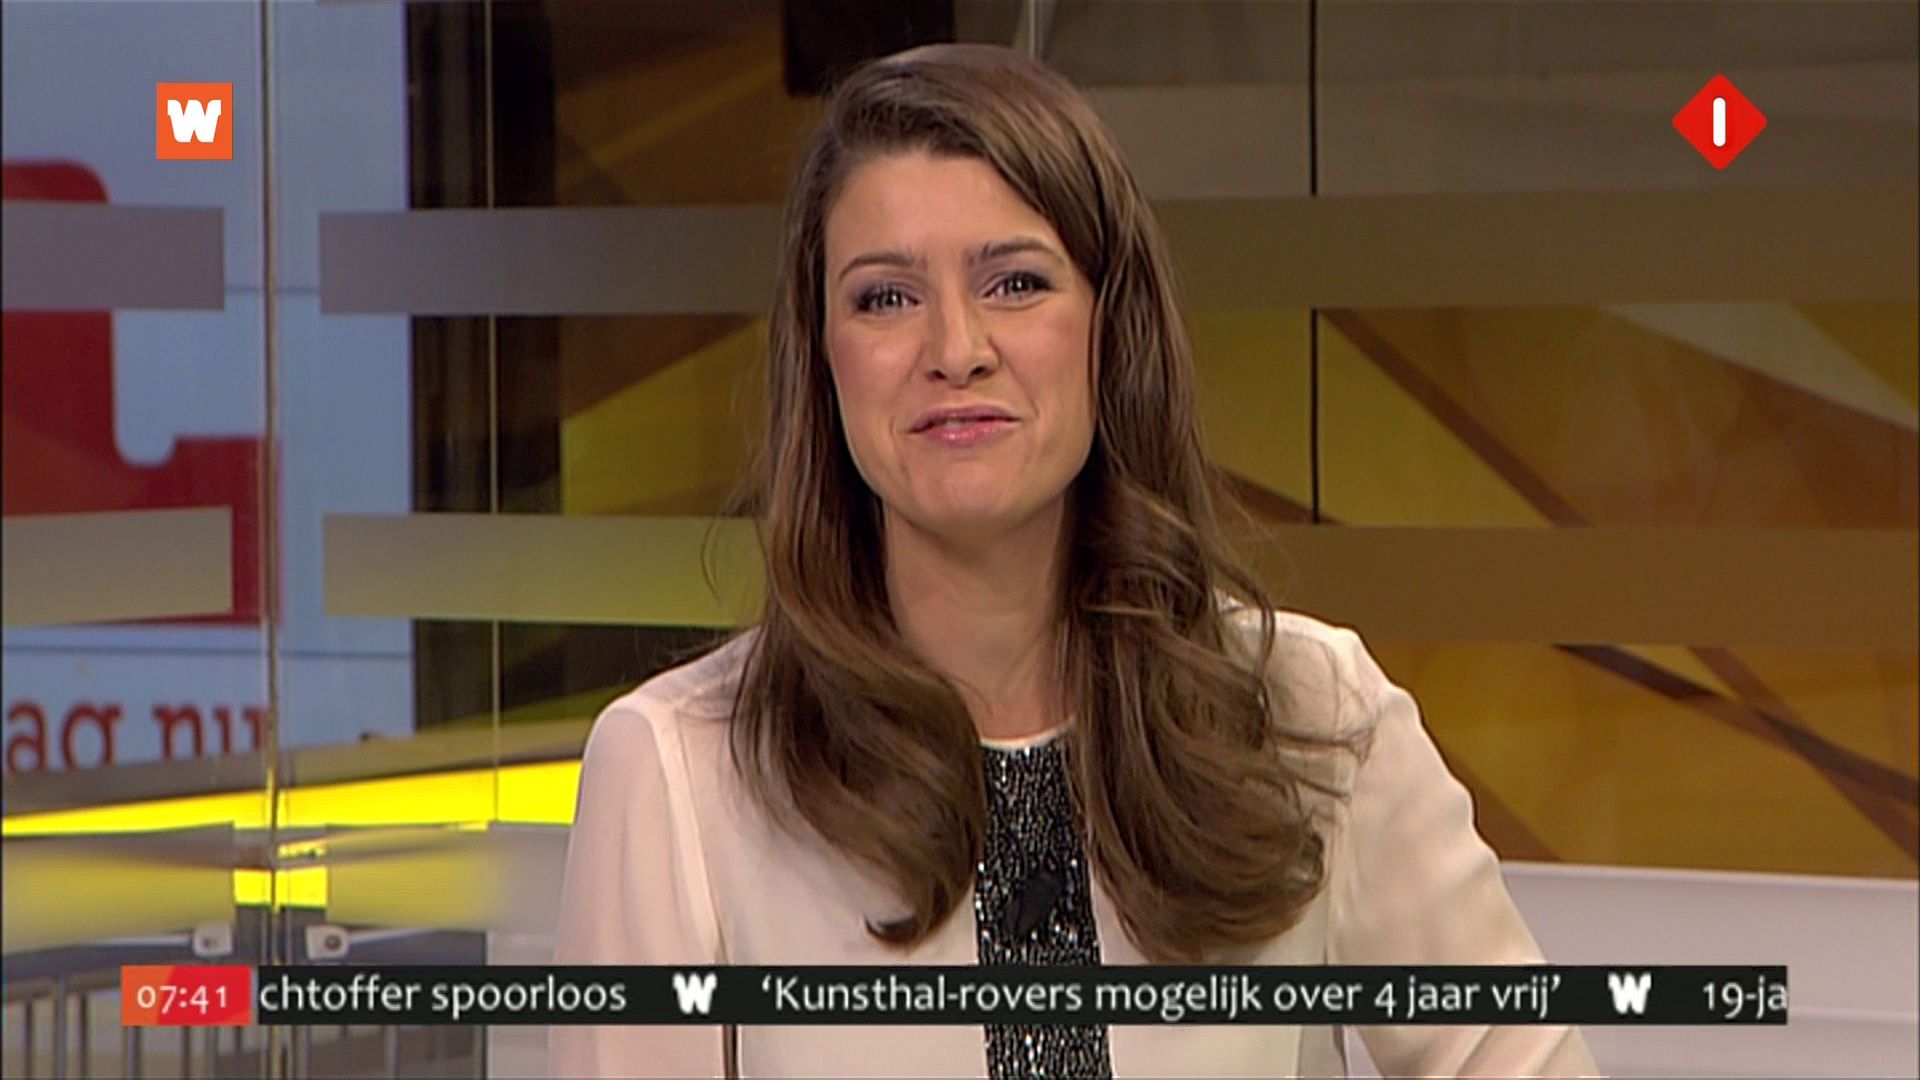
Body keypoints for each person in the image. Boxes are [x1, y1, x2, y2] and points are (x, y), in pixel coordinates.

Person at [551, 42, 1599, 1079]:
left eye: (1015, 282)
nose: (955, 349)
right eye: (885, 298)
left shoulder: (1307, 715)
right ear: (822, 360)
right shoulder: (680, 772)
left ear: (1109, 330)